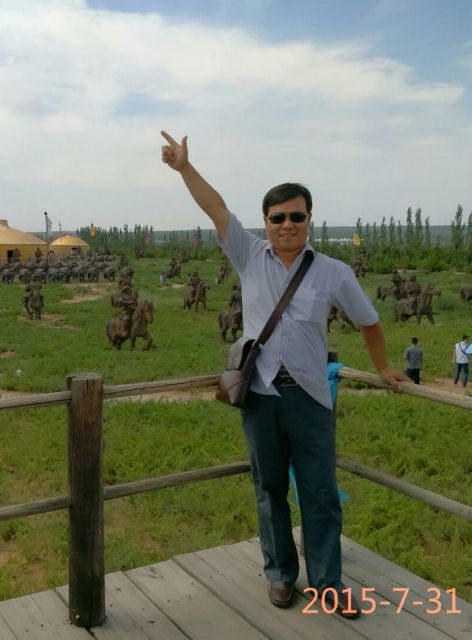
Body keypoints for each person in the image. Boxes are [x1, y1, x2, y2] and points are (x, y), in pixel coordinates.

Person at [160, 130, 407, 619]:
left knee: (320, 495)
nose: (287, 225)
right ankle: (279, 574)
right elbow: (215, 208)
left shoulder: (334, 271)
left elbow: (369, 321)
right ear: (266, 223)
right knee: (269, 489)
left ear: (310, 220)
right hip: (260, 396)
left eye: (297, 216)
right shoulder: (249, 255)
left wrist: (383, 367)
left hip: (312, 398)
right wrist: (185, 167)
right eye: (278, 218)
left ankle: (328, 583)